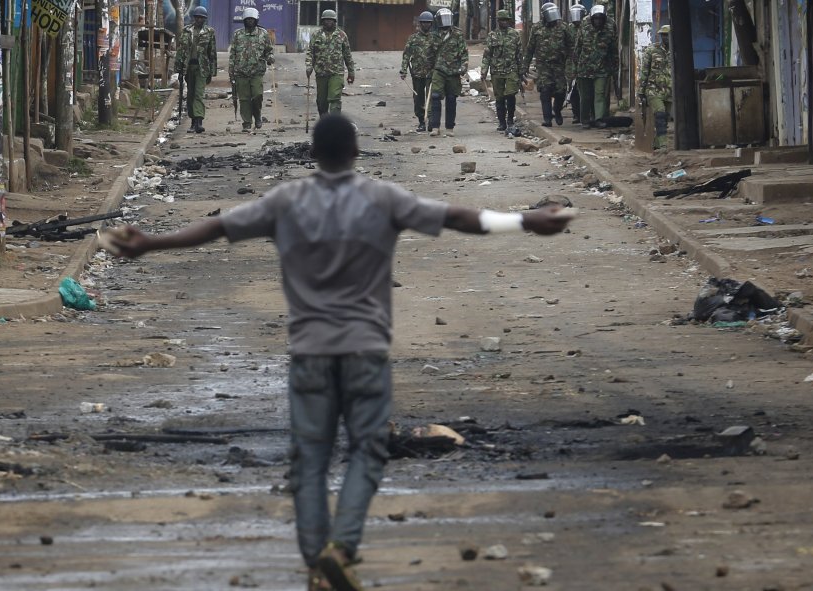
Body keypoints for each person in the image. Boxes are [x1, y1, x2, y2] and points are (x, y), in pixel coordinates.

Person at [106, 114, 573, 591]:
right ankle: (341, 548)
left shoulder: (286, 201)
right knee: (368, 450)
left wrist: (151, 243)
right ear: (355, 152)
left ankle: (317, 562)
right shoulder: (381, 198)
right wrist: (526, 221)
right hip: (365, 350)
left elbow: (218, 228)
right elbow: (457, 217)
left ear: (313, 153)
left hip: (309, 351)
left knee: (308, 459)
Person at [524, 2, 573, 127]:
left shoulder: (563, 27)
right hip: (543, 66)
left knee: (561, 91)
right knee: (545, 91)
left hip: (559, 65)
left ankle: (556, 111)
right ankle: (547, 119)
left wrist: (572, 64)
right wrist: (525, 66)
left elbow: (571, 46)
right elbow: (530, 48)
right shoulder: (536, 28)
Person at [229, 7, 274, 132]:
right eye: (247, 19)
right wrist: (231, 70)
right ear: (244, 20)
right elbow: (233, 54)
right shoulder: (238, 34)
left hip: (257, 72)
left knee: (257, 96)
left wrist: (270, 58)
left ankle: (257, 116)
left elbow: (268, 51)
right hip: (240, 72)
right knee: (244, 99)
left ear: (256, 20)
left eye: (252, 20)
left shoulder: (263, 34)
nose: (250, 22)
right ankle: (247, 122)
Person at [573, 3, 617, 129]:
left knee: (600, 93)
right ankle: (585, 120)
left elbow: (613, 48)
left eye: (600, 19)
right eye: (595, 19)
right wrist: (574, 68)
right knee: (586, 96)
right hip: (584, 67)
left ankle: (599, 118)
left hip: (602, 67)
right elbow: (578, 47)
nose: (598, 21)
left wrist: (614, 67)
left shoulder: (610, 25)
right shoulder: (584, 24)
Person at [175, 5, 218, 133]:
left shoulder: (209, 32)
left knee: (199, 94)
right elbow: (181, 50)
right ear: (194, 18)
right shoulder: (186, 31)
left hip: (202, 67)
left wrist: (212, 71)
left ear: (205, 19)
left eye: (202, 18)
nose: (199, 20)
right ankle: (193, 121)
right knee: (191, 95)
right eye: (197, 17)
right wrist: (178, 69)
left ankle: (199, 121)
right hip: (189, 67)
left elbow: (212, 53)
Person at [305, 10, 355, 117]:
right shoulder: (316, 35)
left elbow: (347, 55)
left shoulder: (341, 35)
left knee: (335, 98)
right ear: (322, 21)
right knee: (322, 102)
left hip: (336, 73)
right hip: (321, 73)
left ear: (335, 21)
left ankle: (334, 122)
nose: (328, 22)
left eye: (331, 20)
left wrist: (351, 72)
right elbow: (310, 52)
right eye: (326, 20)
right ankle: (324, 121)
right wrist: (309, 66)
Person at [481, 10, 523, 133]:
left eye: (506, 20)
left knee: (510, 95)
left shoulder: (515, 35)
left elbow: (519, 54)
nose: (504, 22)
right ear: (498, 21)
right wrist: (484, 71)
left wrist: (521, 71)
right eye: (502, 20)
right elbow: (487, 55)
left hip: (512, 70)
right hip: (497, 71)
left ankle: (510, 119)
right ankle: (502, 122)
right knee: (499, 98)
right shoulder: (492, 35)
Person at [429, 8, 468, 137]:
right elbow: (429, 54)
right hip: (439, 70)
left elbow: (463, 53)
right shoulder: (433, 35)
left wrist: (464, 66)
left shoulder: (457, 34)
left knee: (451, 99)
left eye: (447, 18)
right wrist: (428, 69)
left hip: (453, 71)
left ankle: (449, 127)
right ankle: (435, 126)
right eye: (443, 19)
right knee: (435, 97)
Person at [400, 11, 438, 132]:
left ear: (431, 24)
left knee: (431, 98)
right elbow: (406, 55)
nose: (426, 25)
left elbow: (440, 55)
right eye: (424, 23)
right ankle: (421, 121)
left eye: (428, 23)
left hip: (431, 73)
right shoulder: (413, 39)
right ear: (420, 24)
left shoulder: (435, 38)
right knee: (418, 99)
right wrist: (403, 70)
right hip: (417, 74)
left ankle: (431, 121)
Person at [639, 25, 672, 149]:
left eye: (667, 35)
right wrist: (641, 91)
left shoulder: (676, 50)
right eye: (663, 35)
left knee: (665, 118)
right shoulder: (652, 50)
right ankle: (663, 143)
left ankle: (657, 144)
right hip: (654, 89)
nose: (665, 38)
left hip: (669, 90)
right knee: (660, 112)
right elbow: (644, 71)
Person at [566, 2, 587, 124]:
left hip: (584, 63)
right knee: (572, 89)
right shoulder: (568, 29)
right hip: (571, 64)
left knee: (585, 90)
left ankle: (586, 114)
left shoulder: (587, 28)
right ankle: (576, 114)